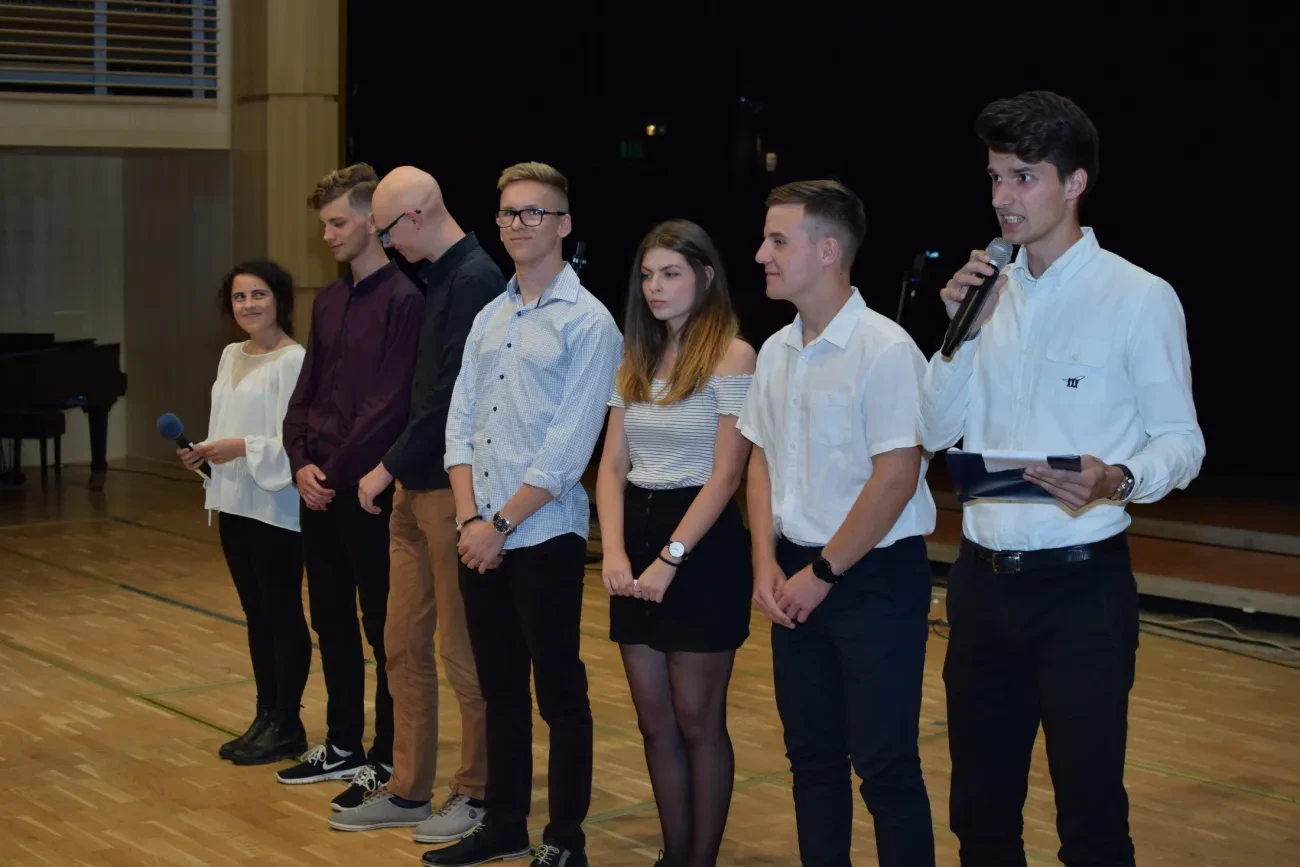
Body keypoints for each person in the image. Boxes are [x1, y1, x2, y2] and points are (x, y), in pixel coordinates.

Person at [918, 90, 1204, 867]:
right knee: (980, 815)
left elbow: (1182, 440)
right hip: (980, 586)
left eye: (1023, 177)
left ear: (1074, 183)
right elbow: (933, 430)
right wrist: (958, 337)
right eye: (994, 177)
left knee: (1090, 817)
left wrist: (1118, 477)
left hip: (1081, 591)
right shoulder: (985, 294)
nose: (1002, 197)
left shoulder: (1137, 297)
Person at [424, 162, 622, 867]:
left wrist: (498, 525)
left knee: (558, 693)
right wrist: (468, 521)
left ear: (564, 224)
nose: (518, 223)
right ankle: (505, 823)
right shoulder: (491, 315)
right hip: (479, 535)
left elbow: (569, 448)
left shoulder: (590, 322)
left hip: (543, 537)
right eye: (508, 212)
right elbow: (459, 426)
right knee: (499, 687)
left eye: (534, 212)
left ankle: (565, 840)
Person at [739, 180, 937, 867]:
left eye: (778, 240)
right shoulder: (775, 350)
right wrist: (765, 561)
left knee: (885, 765)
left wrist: (822, 572)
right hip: (796, 574)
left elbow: (896, 477)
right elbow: (760, 459)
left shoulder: (885, 349)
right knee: (812, 759)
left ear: (827, 251)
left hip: (872, 580)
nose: (761, 254)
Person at [327, 165, 501, 844]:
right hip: (414, 486)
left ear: (417, 217)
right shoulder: (439, 278)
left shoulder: (475, 278)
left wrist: (384, 466)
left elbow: (453, 401)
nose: (386, 244)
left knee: (461, 653)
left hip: (450, 493)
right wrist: (398, 471)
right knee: (401, 645)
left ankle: (478, 792)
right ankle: (408, 787)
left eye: (387, 230)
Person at [595, 219, 755, 867]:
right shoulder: (633, 358)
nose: (655, 287)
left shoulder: (733, 356)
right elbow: (612, 465)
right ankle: (674, 853)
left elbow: (727, 474)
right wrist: (612, 550)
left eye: (671, 273)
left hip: (702, 547)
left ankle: (700, 859)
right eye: (647, 275)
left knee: (696, 718)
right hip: (635, 536)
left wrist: (671, 558)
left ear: (705, 277)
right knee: (654, 720)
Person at [279, 163, 423, 798]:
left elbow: (390, 408)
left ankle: (387, 755)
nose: (329, 235)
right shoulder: (328, 301)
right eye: (325, 225)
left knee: (381, 625)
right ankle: (342, 742)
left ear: (372, 221)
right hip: (319, 488)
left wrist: (332, 473)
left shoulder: (405, 300)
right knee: (330, 618)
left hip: (367, 493)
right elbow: (306, 393)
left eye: (338, 222)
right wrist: (299, 461)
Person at [179, 259, 311, 766]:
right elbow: (224, 425)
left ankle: (288, 723)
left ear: (279, 300)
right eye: (239, 297)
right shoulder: (230, 355)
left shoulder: (294, 360)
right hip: (234, 500)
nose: (249, 305)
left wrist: (241, 447)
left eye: (259, 294)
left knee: (281, 611)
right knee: (256, 613)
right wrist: (204, 454)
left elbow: (295, 440)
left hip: (275, 504)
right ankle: (265, 715)